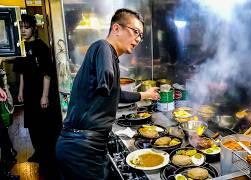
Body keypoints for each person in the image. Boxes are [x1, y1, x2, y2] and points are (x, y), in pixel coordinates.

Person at [56, 8, 159, 179]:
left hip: (85, 147)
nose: (138, 39)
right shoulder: (103, 47)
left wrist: (145, 95)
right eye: (135, 32)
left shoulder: (110, 57)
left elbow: (115, 92)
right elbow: (107, 81)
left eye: (141, 35)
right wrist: (107, 76)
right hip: (81, 149)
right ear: (116, 28)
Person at [14, 14, 62, 179]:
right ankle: (38, 152)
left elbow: (47, 73)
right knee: (32, 125)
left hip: (41, 91)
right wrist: (20, 92)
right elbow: (20, 73)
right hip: (28, 92)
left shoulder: (41, 47)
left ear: (33, 28)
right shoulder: (20, 47)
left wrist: (44, 95)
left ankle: (48, 157)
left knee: (44, 126)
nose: (23, 31)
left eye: (26, 27)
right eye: (20, 27)